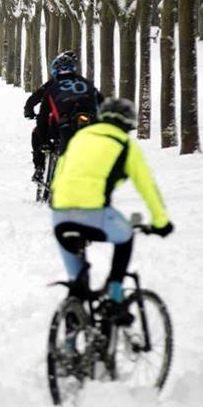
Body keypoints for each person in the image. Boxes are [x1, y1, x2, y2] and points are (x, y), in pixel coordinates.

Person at [50, 97, 173, 321]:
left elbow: (59, 173)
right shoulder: (125, 145)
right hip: (93, 214)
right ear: (128, 124)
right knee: (125, 236)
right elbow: (147, 186)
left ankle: (66, 347)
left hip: (59, 215)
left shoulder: (79, 138)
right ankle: (115, 296)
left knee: (77, 286)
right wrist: (161, 221)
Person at [24, 51, 101, 183]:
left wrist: (29, 111)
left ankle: (39, 168)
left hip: (61, 126)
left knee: (37, 133)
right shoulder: (86, 84)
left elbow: (39, 109)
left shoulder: (52, 86)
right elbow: (103, 103)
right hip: (90, 126)